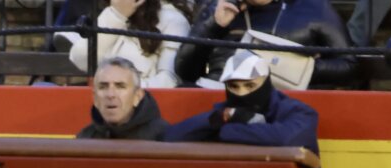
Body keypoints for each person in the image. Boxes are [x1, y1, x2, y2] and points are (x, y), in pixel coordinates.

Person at [165, 51, 332, 168]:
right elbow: (170, 138)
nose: (241, 93)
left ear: (265, 82)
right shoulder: (225, 113)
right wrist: (222, 117)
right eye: (234, 86)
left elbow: (286, 139)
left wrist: (226, 131)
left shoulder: (299, 111)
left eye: (250, 85)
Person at [174, 0, 356, 88]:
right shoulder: (219, 6)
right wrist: (212, 26)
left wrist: (297, 68)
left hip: (279, 99)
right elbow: (185, 71)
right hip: (219, 93)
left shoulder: (314, 8)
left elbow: (349, 65)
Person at [65, 0, 194, 88]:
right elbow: (80, 60)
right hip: (105, 108)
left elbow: (169, 81)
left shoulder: (174, 20)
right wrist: (117, 16)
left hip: (145, 111)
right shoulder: (111, 14)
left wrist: (122, 90)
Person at [76, 57, 169, 140]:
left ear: (137, 96)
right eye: (103, 87)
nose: (110, 94)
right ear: (95, 98)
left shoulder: (163, 137)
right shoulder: (85, 138)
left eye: (120, 86)